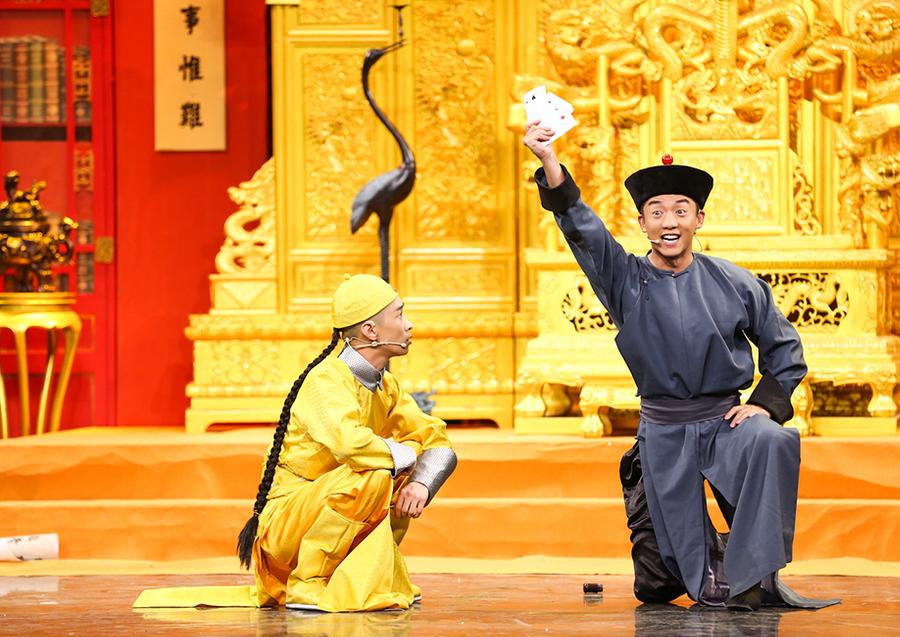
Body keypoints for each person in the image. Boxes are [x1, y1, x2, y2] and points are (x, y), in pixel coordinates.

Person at [523, 121, 838, 611]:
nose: (668, 221)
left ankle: (753, 575)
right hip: (665, 432)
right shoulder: (625, 280)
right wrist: (549, 162)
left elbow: (785, 350)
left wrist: (763, 405)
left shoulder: (735, 282)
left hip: (724, 423)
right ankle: (704, 565)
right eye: (656, 212)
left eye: (680, 210)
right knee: (661, 581)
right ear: (642, 224)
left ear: (699, 219)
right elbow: (583, 229)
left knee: (772, 439)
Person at [134, 274, 457, 612]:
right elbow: (349, 444)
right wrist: (407, 456)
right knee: (375, 473)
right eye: (400, 315)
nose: (409, 324)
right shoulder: (326, 380)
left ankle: (367, 576)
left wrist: (420, 482)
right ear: (370, 331)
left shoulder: (385, 387)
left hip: (320, 507)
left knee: (402, 475)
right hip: (285, 529)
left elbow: (434, 437)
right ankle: (308, 582)